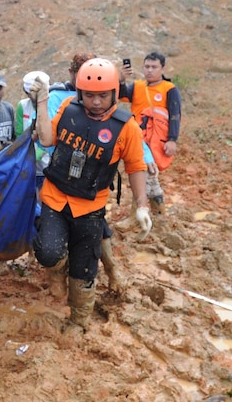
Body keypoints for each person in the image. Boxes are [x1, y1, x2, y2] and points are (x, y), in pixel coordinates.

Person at [31, 58, 152, 336]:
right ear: (79, 93)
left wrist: (142, 204)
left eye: (102, 95)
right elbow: (47, 140)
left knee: (84, 269)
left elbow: (135, 166)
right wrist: (41, 100)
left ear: (114, 93)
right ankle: (55, 271)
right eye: (89, 95)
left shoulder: (126, 127)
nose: (95, 102)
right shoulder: (68, 109)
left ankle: (79, 320)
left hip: (90, 207)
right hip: (55, 196)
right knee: (48, 252)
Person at [120, 51, 182, 215]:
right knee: (149, 175)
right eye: (147, 66)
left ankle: (137, 216)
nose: (150, 70)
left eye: (154, 67)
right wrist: (121, 79)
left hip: (156, 140)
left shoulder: (169, 89)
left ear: (162, 68)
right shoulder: (137, 86)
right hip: (137, 138)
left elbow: (175, 115)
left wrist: (172, 139)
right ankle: (160, 213)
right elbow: (120, 95)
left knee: (142, 175)